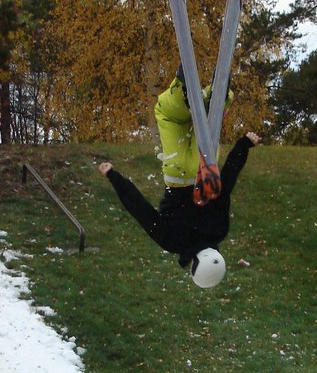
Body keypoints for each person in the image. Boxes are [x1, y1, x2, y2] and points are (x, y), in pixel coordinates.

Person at [99, 73, 261, 288]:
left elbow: (227, 180)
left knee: (207, 119)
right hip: (176, 171)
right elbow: (140, 208)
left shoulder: (219, 230)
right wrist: (113, 176)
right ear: (193, 267)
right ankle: (180, 93)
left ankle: (216, 96)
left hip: (204, 167)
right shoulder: (172, 242)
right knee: (168, 116)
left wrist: (243, 146)